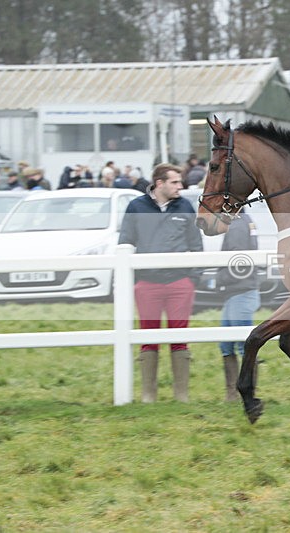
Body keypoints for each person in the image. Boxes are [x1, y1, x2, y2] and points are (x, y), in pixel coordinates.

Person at [118, 163, 204, 403]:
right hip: (147, 283)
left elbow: (196, 244)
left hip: (179, 283)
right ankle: (148, 395)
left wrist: (192, 278)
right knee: (148, 336)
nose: (181, 186)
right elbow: (125, 242)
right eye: (175, 182)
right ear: (159, 183)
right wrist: (134, 279)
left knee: (180, 336)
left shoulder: (185, 206)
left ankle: (181, 395)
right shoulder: (136, 207)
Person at [217, 211, 261, 401]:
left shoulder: (236, 225)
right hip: (238, 291)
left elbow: (237, 260)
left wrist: (219, 279)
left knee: (243, 346)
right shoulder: (244, 220)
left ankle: (243, 393)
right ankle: (233, 394)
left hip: (240, 291)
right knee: (226, 344)